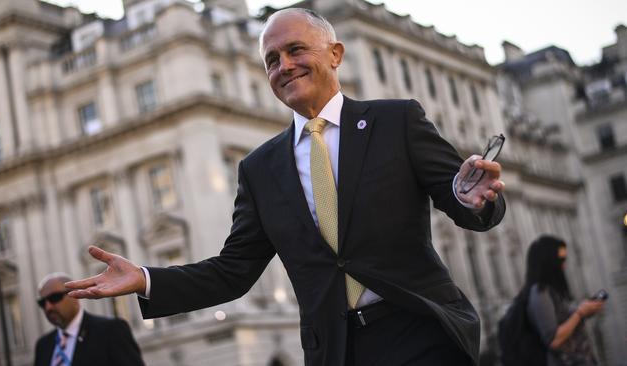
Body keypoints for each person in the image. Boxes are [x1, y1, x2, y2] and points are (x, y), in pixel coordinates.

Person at [66, 8, 506, 366]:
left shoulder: (396, 121)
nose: (284, 66)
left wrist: (478, 201)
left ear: (335, 54)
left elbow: (463, 197)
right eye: (272, 60)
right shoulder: (260, 168)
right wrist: (145, 278)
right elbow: (232, 272)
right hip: (336, 349)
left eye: (296, 50)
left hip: (419, 330)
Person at [33, 272, 145, 366]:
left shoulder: (111, 331)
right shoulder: (43, 345)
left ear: (74, 295)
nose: (48, 307)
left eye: (54, 298)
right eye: (42, 303)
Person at [525, 235, 604, 366]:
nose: (564, 264)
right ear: (548, 260)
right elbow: (554, 340)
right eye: (561, 259)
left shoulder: (554, 289)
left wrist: (585, 311)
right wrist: (580, 313)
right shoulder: (540, 293)